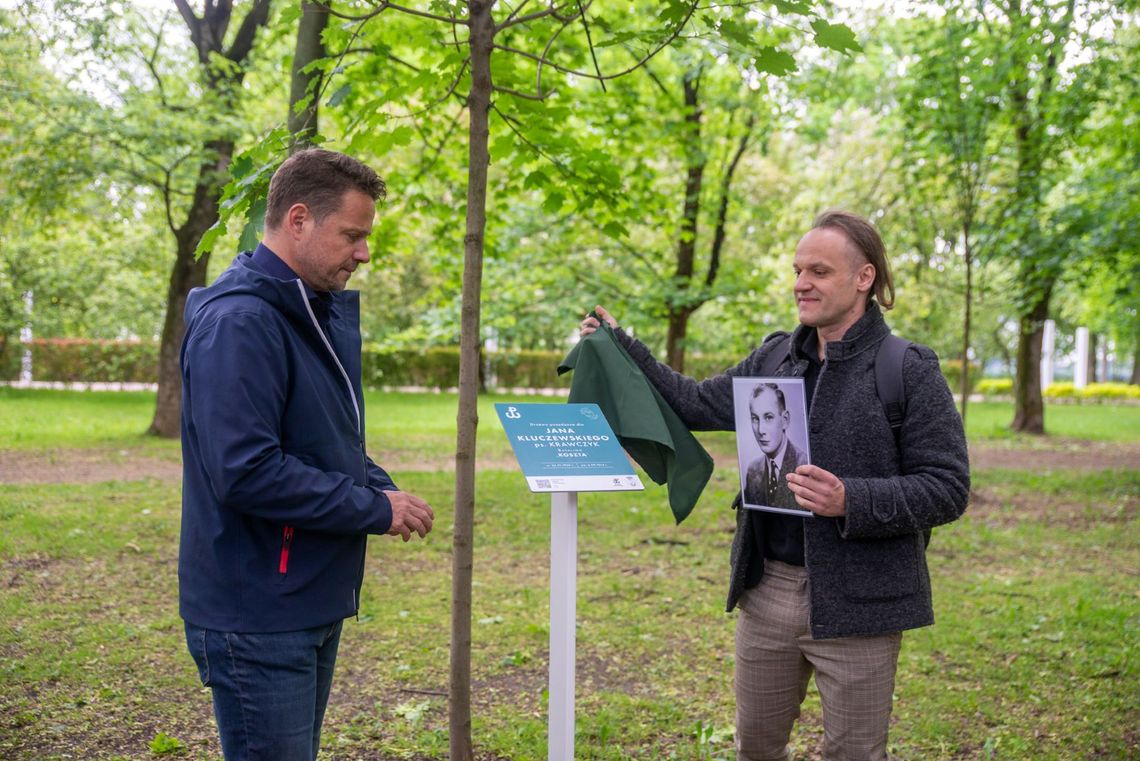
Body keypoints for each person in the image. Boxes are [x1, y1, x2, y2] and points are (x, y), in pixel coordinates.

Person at [578, 209, 969, 761]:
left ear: (865, 279)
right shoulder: (776, 356)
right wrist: (624, 345)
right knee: (756, 749)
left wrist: (851, 499)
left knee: (855, 753)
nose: (800, 283)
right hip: (768, 592)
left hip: (862, 600)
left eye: (819, 271)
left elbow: (948, 487)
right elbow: (693, 402)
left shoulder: (907, 368)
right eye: (797, 270)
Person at [178, 148, 435, 761]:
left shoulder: (305, 313)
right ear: (298, 220)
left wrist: (378, 487)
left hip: (302, 596)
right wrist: (371, 508)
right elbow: (247, 471)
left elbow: (322, 439)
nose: (364, 253)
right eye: (352, 234)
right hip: (260, 612)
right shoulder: (242, 322)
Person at [743, 383, 807, 513]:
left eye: (768, 417)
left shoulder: (804, 464)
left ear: (785, 420)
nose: (761, 430)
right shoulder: (752, 469)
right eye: (755, 419)